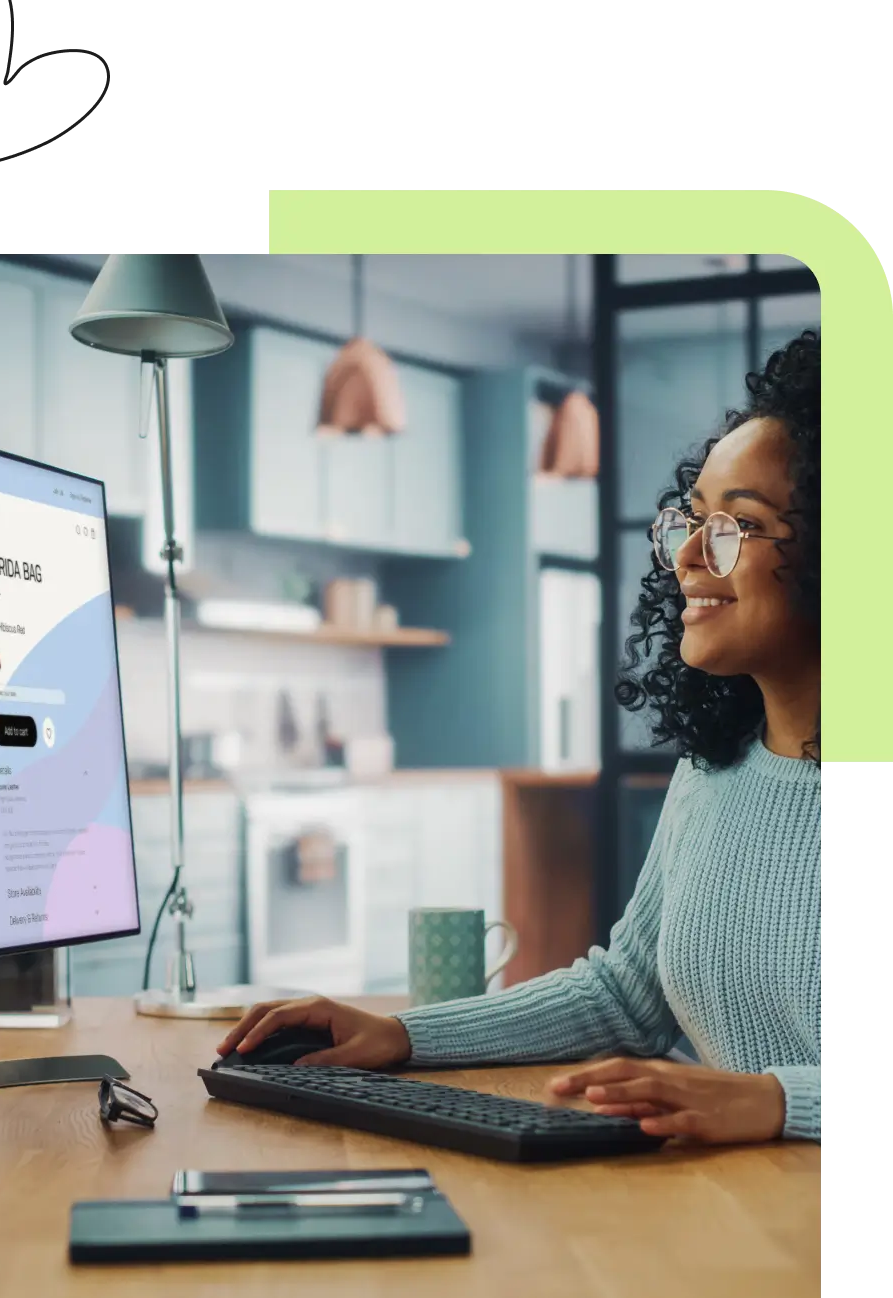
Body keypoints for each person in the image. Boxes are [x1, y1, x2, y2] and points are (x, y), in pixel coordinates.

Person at [219, 331, 821, 1144]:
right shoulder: (716, 773)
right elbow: (626, 997)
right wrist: (402, 1034)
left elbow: (757, 1093)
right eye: (692, 520)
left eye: (737, 525)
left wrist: (775, 1102)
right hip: (732, 1215)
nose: (686, 556)